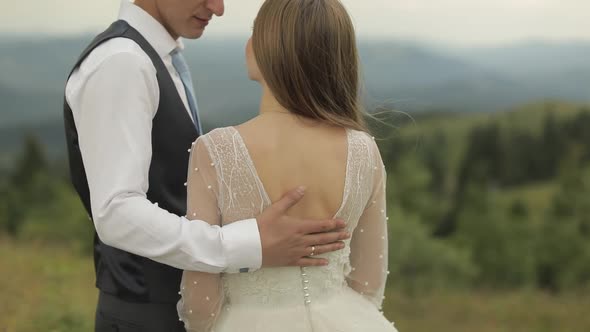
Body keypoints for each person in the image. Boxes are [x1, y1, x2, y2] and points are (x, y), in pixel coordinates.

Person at [63, 0, 350, 331]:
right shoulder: (122, 63)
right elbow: (115, 212)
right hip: (147, 315)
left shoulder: (156, 58)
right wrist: (247, 244)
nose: (218, 7)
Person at [176, 0, 398, 331]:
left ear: (272, 51)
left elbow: (200, 299)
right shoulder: (364, 150)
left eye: (255, 33)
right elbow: (369, 281)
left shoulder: (217, 151)